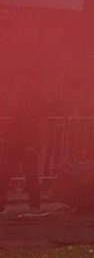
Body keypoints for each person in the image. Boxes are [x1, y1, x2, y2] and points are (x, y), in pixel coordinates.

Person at [0, 83, 45, 214]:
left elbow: (36, 128)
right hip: (17, 144)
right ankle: (33, 205)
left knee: (27, 176)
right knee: (6, 175)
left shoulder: (33, 109)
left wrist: (33, 144)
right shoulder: (23, 108)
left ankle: (35, 205)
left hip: (24, 145)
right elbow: (16, 126)